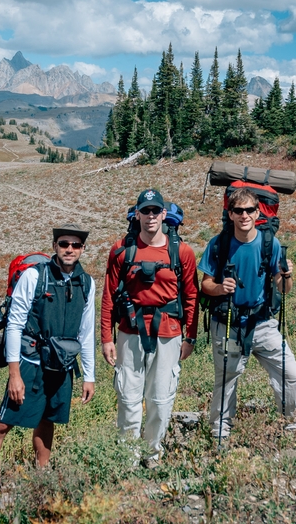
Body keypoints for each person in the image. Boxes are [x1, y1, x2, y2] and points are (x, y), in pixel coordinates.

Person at [0, 224, 95, 472]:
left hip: (62, 365)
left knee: (47, 419)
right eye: (63, 244)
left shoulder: (87, 283)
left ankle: (42, 474)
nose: (69, 249)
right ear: (54, 246)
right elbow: (15, 325)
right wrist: (14, 375)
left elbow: (87, 331)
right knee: (3, 423)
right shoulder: (34, 276)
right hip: (31, 362)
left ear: (82, 249)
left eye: (75, 245)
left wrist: (89, 376)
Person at [101, 188, 198, 465]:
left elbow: (191, 295)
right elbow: (108, 294)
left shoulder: (182, 252)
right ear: (138, 214)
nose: (151, 216)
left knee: (160, 400)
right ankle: (127, 459)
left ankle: (152, 454)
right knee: (129, 399)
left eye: (156, 211)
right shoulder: (122, 250)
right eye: (146, 211)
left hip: (169, 333)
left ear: (164, 214)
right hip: (129, 332)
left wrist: (190, 336)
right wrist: (106, 337)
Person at [198, 187, 296, 439]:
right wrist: (221, 287)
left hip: (263, 322)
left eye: (249, 210)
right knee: (226, 379)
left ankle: (291, 425)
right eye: (238, 211)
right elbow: (205, 285)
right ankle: (220, 432)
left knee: (292, 375)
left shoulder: (270, 244)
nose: (244, 215)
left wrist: (287, 276)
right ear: (230, 214)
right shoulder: (218, 244)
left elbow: (283, 287)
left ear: (258, 213)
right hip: (228, 323)